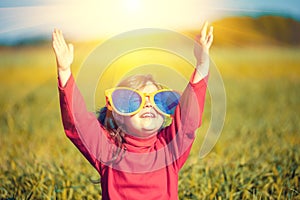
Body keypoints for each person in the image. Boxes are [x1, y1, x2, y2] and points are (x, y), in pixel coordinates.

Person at [52, 22, 213, 200]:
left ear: (164, 116)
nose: (148, 104)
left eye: (157, 99)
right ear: (118, 117)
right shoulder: (108, 152)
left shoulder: (169, 149)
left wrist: (202, 64)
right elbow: (78, 123)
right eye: (134, 101)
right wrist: (64, 70)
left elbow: (189, 118)